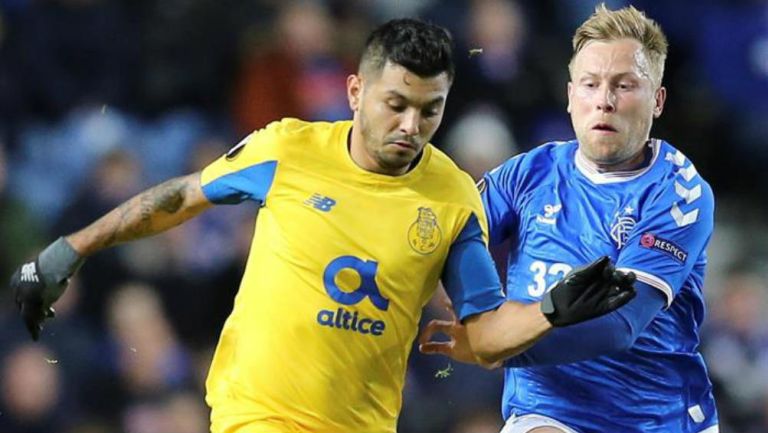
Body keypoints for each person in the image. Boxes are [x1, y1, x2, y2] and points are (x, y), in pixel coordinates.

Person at [10, 19, 635, 433]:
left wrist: (552, 309)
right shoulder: (289, 149)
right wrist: (70, 249)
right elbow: (180, 197)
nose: (411, 126)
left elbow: (486, 333)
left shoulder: (451, 199)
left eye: (430, 109)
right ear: (356, 90)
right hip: (256, 415)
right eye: (396, 104)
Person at [419, 5, 718, 433]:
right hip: (548, 409)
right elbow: (455, 237)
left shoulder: (678, 191)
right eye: (590, 84)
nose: (604, 100)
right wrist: (475, 303)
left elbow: (619, 325)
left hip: (659, 417)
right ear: (570, 95)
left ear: (658, 100)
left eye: (624, 85)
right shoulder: (527, 174)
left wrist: (499, 346)